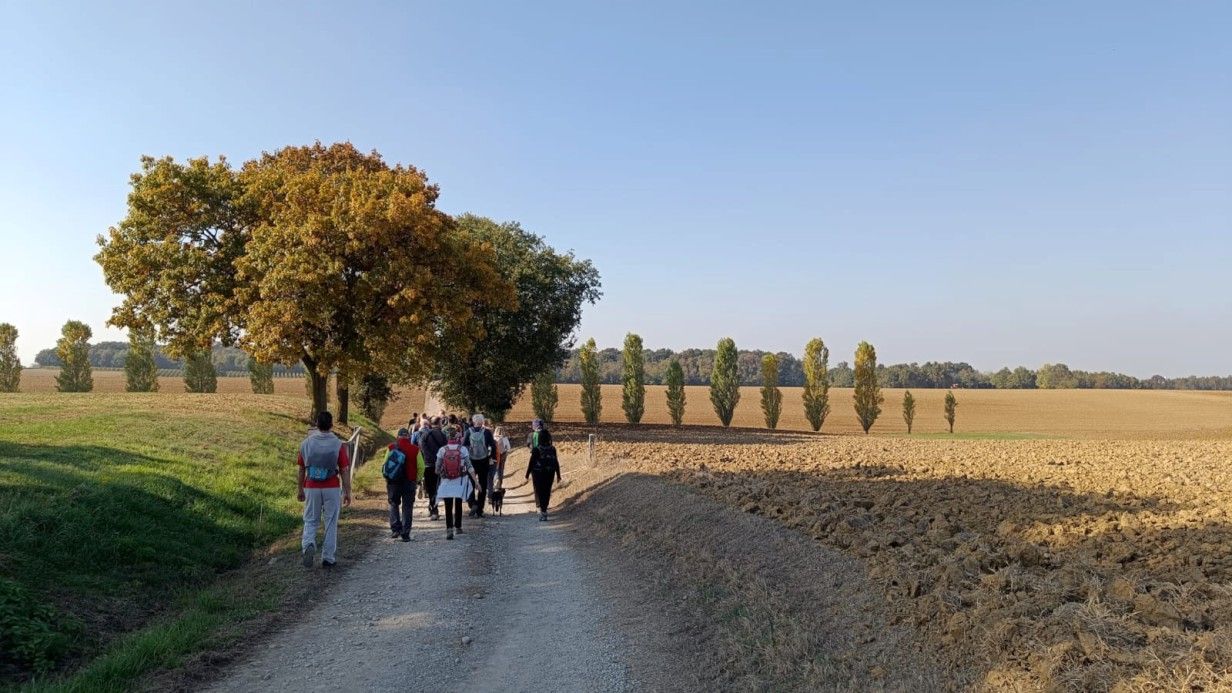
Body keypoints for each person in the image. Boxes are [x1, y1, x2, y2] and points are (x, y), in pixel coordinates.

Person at [298, 411, 352, 567]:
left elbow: (301, 469)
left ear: (316, 424)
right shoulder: (338, 444)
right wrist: (347, 491)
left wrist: (300, 489)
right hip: (332, 486)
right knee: (330, 522)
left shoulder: (306, 443)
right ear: (331, 425)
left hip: (311, 486)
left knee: (310, 520)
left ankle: (308, 544)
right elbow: (344, 470)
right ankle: (328, 557)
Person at [436, 428, 481, 540]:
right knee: (458, 503)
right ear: (457, 438)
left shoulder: (442, 450)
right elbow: (469, 466)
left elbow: (437, 468)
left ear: (447, 437)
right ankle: (458, 527)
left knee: (448, 505)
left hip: (446, 482)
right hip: (460, 480)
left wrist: (442, 472)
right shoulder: (463, 449)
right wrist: (476, 482)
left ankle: (449, 529)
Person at [386, 428, 420, 541]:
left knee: (393, 504)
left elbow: (385, 464)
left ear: (397, 437)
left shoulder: (391, 447)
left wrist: (387, 478)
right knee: (407, 507)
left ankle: (396, 529)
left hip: (393, 482)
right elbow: (421, 466)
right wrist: (417, 479)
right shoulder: (415, 449)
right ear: (409, 437)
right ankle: (405, 533)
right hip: (409, 482)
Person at [463, 414, 498, 517]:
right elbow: (493, 446)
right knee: (483, 484)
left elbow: (464, 446)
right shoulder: (487, 432)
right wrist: (491, 457)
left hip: (471, 461)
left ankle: (472, 503)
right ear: (482, 422)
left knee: (470, 483)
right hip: (484, 461)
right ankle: (480, 509)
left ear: (473, 422)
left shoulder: (468, 432)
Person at [526, 426, 561, 521]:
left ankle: (542, 511)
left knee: (540, 492)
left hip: (538, 473)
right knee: (547, 491)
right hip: (550, 472)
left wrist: (527, 474)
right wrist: (558, 475)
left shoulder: (536, 449)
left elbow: (531, 462)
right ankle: (545, 510)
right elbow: (556, 462)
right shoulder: (552, 449)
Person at [418, 416, 447, 521]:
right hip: (439, 464)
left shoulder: (425, 434)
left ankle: (433, 508)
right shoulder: (443, 435)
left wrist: (428, 456)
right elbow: (445, 448)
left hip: (428, 464)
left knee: (430, 488)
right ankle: (434, 509)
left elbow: (421, 447)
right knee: (437, 487)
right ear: (439, 423)